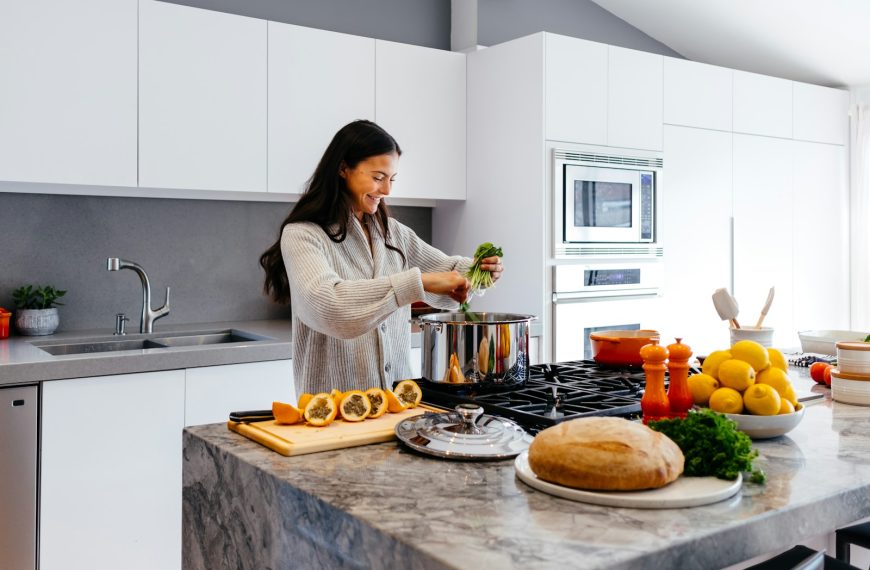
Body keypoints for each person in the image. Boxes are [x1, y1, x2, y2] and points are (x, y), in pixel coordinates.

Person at [260, 120, 503, 396]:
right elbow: (329, 307)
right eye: (378, 177)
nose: (387, 190)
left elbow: (447, 272)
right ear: (343, 169)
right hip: (333, 413)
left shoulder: (393, 233)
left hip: (400, 405)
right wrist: (417, 283)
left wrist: (479, 272)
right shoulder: (303, 235)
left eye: (392, 179)